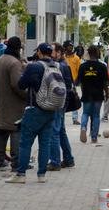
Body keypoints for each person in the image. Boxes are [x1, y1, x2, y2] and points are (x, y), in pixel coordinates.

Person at [10, 43, 61, 184]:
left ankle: (21, 174)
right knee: (45, 143)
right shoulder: (56, 66)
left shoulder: (34, 66)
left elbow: (21, 84)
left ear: (39, 52)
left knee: (25, 143)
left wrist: (26, 70)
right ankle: (41, 175)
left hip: (34, 109)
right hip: (51, 109)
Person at [0, 37, 27, 170]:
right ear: (18, 48)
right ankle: (16, 162)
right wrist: (27, 95)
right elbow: (17, 84)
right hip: (13, 103)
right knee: (15, 130)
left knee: (1, 130)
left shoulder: (0, 60)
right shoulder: (14, 63)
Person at [47, 43, 75, 171]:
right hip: (63, 102)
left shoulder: (60, 66)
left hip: (58, 101)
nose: (50, 54)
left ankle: (55, 161)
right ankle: (68, 159)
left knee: (54, 131)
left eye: (52, 51)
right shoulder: (64, 65)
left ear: (58, 52)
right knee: (61, 130)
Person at [78, 45, 108, 144]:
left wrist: (83, 92)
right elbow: (105, 83)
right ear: (98, 53)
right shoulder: (102, 66)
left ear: (89, 54)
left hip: (87, 93)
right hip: (98, 94)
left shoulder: (83, 66)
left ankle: (83, 128)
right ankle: (94, 137)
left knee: (85, 113)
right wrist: (107, 93)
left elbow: (80, 82)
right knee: (96, 115)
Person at [63, 41, 82, 125]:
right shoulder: (63, 58)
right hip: (63, 81)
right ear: (65, 47)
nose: (71, 48)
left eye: (71, 46)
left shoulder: (76, 58)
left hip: (73, 82)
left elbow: (79, 70)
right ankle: (61, 116)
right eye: (69, 46)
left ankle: (75, 118)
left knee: (74, 99)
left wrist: (76, 81)